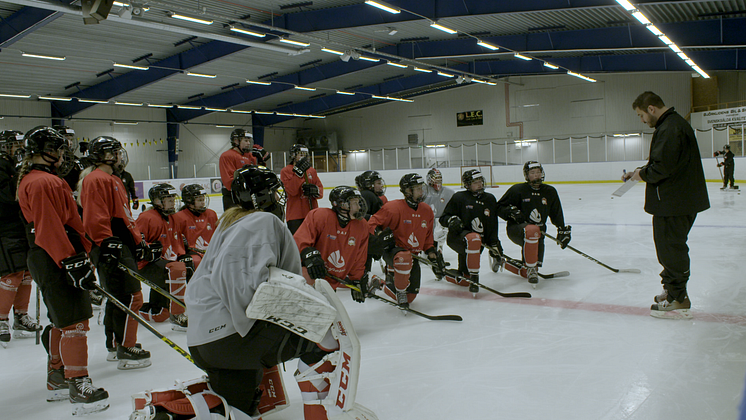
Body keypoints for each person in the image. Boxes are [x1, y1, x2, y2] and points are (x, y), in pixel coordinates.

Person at [186, 165, 377, 420]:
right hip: (231, 338)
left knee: (239, 410)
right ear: (261, 198)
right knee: (327, 336)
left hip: (204, 343)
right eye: (275, 193)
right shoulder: (261, 220)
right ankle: (323, 414)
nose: (280, 198)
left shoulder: (229, 222)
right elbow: (242, 284)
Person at [17, 126, 109, 414]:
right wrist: (72, 260)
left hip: (49, 256)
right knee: (74, 320)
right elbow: (49, 228)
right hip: (55, 255)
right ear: (46, 152)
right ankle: (77, 382)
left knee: (61, 318)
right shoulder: (45, 182)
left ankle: (58, 375)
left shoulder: (38, 179)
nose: (62, 155)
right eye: (59, 149)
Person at [624, 91, 710, 319]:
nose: (642, 120)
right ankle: (673, 291)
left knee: (671, 249)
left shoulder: (670, 128)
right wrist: (640, 172)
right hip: (675, 201)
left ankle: (679, 298)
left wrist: (642, 174)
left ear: (651, 109)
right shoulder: (671, 125)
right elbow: (666, 162)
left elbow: (662, 168)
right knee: (668, 247)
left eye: (641, 115)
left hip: (674, 202)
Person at [79, 136, 155, 369]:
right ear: (105, 155)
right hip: (111, 245)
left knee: (117, 297)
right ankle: (126, 347)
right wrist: (106, 243)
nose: (120, 156)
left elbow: (123, 217)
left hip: (119, 244)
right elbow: (95, 216)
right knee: (132, 296)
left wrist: (137, 241)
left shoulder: (112, 178)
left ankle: (115, 345)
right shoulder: (96, 179)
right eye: (115, 152)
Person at [368, 173, 440, 307]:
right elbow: (371, 224)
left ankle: (378, 283)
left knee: (410, 297)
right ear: (407, 191)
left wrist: (432, 253)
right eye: (417, 188)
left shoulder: (426, 210)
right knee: (403, 258)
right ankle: (399, 289)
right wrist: (380, 234)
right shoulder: (393, 208)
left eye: (421, 188)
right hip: (394, 252)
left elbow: (428, 238)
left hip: (414, 256)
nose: (421, 191)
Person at [496, 161, 571, 287]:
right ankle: (530, 268)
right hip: (517, 230)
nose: (537, 175)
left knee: (529, 269)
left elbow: (556, 212)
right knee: (531, 232)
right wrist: (511, 212)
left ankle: (502, 261)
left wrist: (562, 229)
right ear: (526, 175)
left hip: (539, 233)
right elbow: (498, 207)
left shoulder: (550, 191)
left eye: (538, 172)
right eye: (533, 173)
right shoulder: (517, 190)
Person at [0, 130, 42, 345]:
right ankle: (1, 319)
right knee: (12, 274)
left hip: (22, 226)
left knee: (27, 273)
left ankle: (21, 316)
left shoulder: (23, 167)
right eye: (13, 145)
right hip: (5, 228)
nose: (18, 149)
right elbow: (7, 196)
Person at [294, 186, 372, 301]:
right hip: (313, 273)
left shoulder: (362, 225)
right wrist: (309, 254)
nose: (359, 207)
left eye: (358, 203)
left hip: (332, 280)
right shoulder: (320, 216)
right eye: (354, 203)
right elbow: (299, 241)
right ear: (341, 204)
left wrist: (356, 279)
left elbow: (359, 256)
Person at [135, 184, 192, 332]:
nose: (173, 201)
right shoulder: (146, 217)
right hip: (146, 264)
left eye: (173, 198)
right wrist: (146, 248)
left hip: (164, 263)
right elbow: (135, 241)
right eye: (168, 199)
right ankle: (177, 314)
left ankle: (142, 309)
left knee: (160, 315)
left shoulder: (173, 217)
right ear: (157, 201)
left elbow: (176, 242)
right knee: (177, 269)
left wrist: (183, 254)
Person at [439, 169, 503, 293]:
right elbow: (443, 218)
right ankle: (473, 276)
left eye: (480, 181)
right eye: (475, 182)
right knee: (472, 239)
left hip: (479, 242)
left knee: (464, 279)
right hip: (458, 238)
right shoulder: (459, 197)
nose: (479, 184)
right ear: (467, 184)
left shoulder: (489, 199)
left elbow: (492, 224)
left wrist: (494, 244)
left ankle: (459, 273)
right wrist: (452, 221)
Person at [280, 144, 323, 234]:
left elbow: (320, 189)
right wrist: (298, 173)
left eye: (305, 154)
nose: (303, 157)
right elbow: (292, 191)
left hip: (311, 213)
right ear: (293, 156)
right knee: (297, 244)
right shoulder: (286, 171)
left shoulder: (311, 170)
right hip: (295, 215)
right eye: (300, 154)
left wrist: (315, 190)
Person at [172, 184, 218, 268]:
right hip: (192, 253)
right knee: (196, 262)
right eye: (199, 200)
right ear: (189, 201)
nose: (203, 203)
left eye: (203, 199)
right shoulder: (179, 217)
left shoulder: (211, 214)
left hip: (211, 251)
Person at [218, 128, 256, 211]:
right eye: (245, 141)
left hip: (247, 194)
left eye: (249, 141)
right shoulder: (227, 156)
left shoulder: (249, 155)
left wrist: (261, 160)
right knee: (234, 220)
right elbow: (229, 180)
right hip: (232, 195)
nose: (248, 143)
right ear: (236, 141)